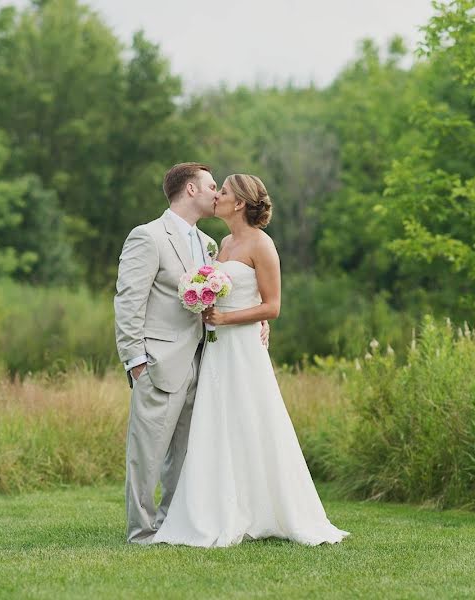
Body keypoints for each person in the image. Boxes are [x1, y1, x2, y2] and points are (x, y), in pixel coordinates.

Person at [151, 173, 349, 547]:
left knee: (254, 420)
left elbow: (272, 306)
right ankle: (218, 509)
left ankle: (271, 509)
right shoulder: (221, 243)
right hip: (217, 349)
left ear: (239, 202)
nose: (217, 196)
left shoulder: (262, 244)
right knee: (218, 425)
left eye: (222, 191)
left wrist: (229, 318)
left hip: (242, 349)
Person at [114, 163, 269, 544]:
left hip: (208, 360)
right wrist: (135, 362)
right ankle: (141, 530)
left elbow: (231, 295)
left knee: (184, 455)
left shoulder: (210, 245)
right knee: (147, 454)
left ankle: (171, 523)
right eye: (212, 186)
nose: (218, 194)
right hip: (158, 364)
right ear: (190, 191)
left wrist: (258, 320)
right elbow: (128, 301)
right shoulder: (148, 237)